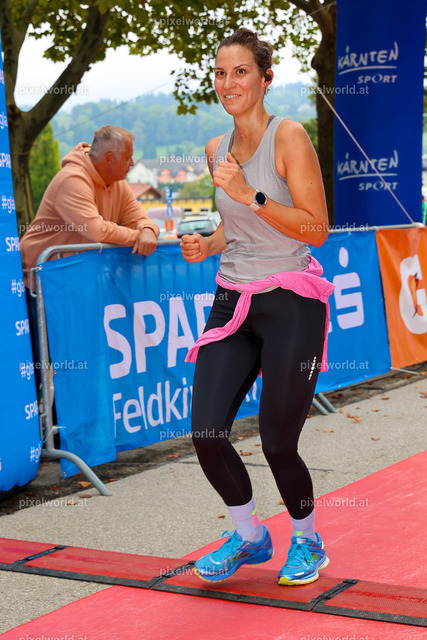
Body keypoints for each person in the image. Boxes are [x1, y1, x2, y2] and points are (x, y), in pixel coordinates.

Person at [180, 28, 334, 586]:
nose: (228, 83)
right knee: (206, 433)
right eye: (220, 73)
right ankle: (249, 535)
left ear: (265, 78)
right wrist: (209, 244)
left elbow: (316, 228)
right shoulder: (214, 149)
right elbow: (237, 225)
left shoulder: (288, 136)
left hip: (291, 300)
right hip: (233, 301)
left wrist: (252, 194)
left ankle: (308, 539)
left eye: (240, 71)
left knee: (276, 441)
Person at [21, 125, 160, 393]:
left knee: (77, 363)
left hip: (76, 286)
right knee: (39, 365)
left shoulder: (118, 183)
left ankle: (62, 420)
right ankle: (36, 419)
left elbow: (141, 219)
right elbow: (95, 230)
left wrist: (147, 230)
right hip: (41, 286)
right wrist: (137, 236)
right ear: (109, 158)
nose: (132, 163)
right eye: (128, 157)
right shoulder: (72, 179)